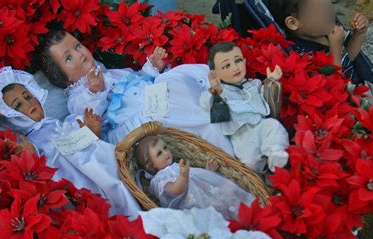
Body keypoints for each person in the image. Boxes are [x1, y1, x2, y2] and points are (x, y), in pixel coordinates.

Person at [36, 30, 234, 155]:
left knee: (175, 77)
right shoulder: (77, 95)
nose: (80, 54)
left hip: (151, 98)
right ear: (65, 79)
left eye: (78, 46)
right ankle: (219, 135)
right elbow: (88, 114)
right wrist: (96, 92)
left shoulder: (110, 72)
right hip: (134, 122)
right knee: (176, 112)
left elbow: (135, 78)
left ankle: (221, 87)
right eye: (68, 58)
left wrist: (151, 68)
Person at [0, 66, 141, 218]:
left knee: (118, 177)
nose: (28, 104)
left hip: (99, 161)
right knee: (104, 195)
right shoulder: (32, 142)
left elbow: (93, 142)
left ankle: (137, 198)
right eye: (18, 105)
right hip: (76, 177)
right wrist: (31, 156)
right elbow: (43, 170)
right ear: (12, 116)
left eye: (27, 96)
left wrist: (93, 131)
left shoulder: (66, 123)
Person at [268, 0, 373, 160]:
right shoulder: (302, 53)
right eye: (320, 10)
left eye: (328, 5)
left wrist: (359, 33)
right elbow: (333, 83)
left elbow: (349, 56)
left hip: (361, 89)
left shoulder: (328, 34)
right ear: (293, 22)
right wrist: (334, 48)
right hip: (344, 103)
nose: (329, 12)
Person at [200, 42, 289, 173]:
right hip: (241, 134)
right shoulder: (222, 90)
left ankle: (276, 158)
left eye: (238, 61)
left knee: (273, 127)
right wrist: (215, 90)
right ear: (216, 73)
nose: (235, 67)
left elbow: (264, 95)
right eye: (226, 66)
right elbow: (206, 103)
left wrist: (271, 81)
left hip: (260, 124)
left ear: (245, 61)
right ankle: (257, 177)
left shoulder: (254, 83)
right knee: (250, 161)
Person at [135, 135, 255, 219]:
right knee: (214, 210)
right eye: (159, 153)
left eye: (165, 148)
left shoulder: (177, 166)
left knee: (227, 190)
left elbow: (197, 177)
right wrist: (182, 176)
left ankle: (246, 212)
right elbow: (175, 190)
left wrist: (208, 172)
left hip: (206, 192)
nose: (166, 152)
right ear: (151, 165)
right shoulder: (159, 179)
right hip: (193, 205)